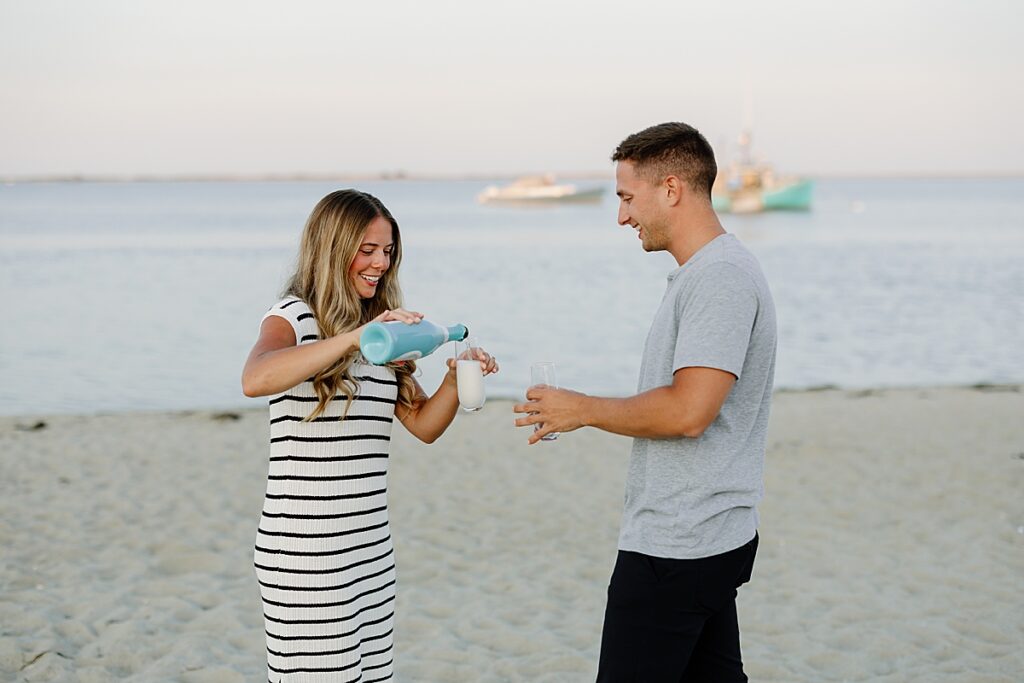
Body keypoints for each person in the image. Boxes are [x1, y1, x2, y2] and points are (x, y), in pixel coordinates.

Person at [513, 122, 776, 682]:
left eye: (628, 198)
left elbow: (689, 412)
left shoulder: (720, 278)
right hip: (705, 535)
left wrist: (581, 408)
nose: (622, 216)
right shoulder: (705, 274)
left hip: (681, 545)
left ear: (672, 188)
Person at [242, 189, 497, 683]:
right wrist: (356, 337)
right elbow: (255, 379)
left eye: (388, 251)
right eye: (368, 249)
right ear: (333, 247)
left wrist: (454, 375)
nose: (381, 263)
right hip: (305, 554)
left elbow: (422, 424)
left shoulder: (385, 332)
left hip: (370, 550)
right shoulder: (292, 317)